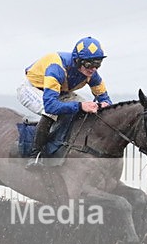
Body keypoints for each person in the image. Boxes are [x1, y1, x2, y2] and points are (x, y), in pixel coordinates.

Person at [17, 36, 113, 168]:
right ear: (77, 60)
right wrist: (80, 106)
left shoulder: (92, 75)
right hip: (32, 88)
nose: (93, 69)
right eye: (89, 64)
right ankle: (35, 155)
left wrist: (104, 104)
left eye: (97, 64)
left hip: (60, 91)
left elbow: (106, 99)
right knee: (51, 113)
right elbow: (51, 106)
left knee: (91, 110)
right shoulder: (56, 68)